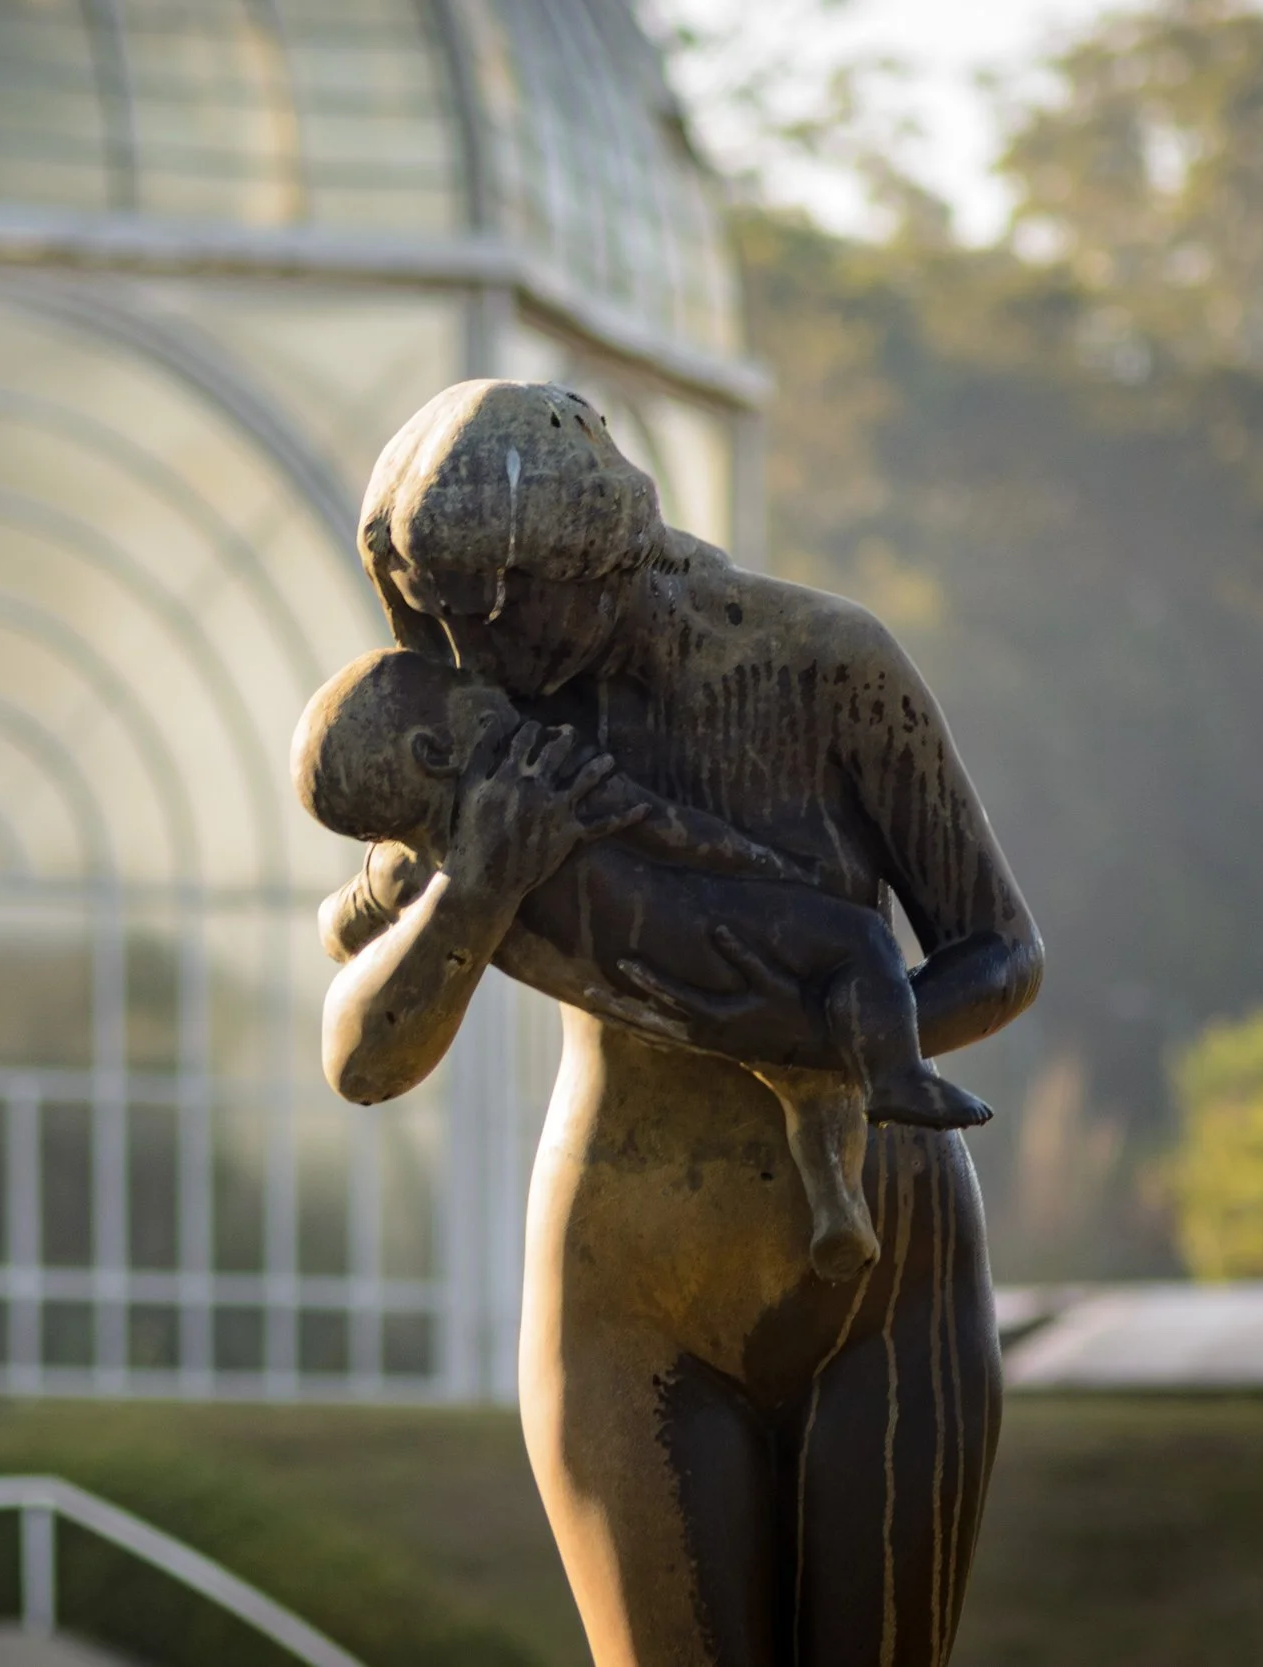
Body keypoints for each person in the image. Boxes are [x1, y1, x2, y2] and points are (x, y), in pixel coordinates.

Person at [317, 381, 1042, 1667]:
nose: (470, 645)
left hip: (883, 1269)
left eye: (496, 608)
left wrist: (822, 1044)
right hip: (628, 1285)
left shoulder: (819, 663)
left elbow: (999, 953)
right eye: (441, 617)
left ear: (595, 553)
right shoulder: (474, 728)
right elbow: (363, 1055)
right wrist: (472, 885)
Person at [292, 645, 993, 1281]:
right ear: (434, 752)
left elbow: (351, 914)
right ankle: (880, 1102)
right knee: (856, 955)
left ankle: (839, 1197)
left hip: (664, 978)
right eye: (456, 681)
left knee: (805, 1071)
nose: (478, 667)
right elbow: (360, 1064)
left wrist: (369, 911)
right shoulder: (539, 777)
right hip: (700, 940)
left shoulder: (422, 854)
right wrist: (757, 862)